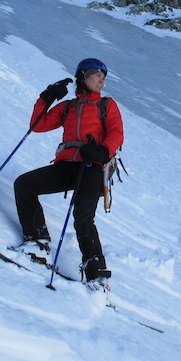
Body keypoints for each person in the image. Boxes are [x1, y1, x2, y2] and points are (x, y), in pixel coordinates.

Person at [13, 58, 124, 288]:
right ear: (83, 76)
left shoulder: (107, 105)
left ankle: (97, 274)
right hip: (68, 166)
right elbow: (38, 125)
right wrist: (47, 97)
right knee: (24, 184)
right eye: (97, 76)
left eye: (104, 77)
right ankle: (37, 239)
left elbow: (116, 132)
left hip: (93, 167)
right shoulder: (69, 107)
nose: (102, 81)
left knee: (83, 218)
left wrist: (103, 151)